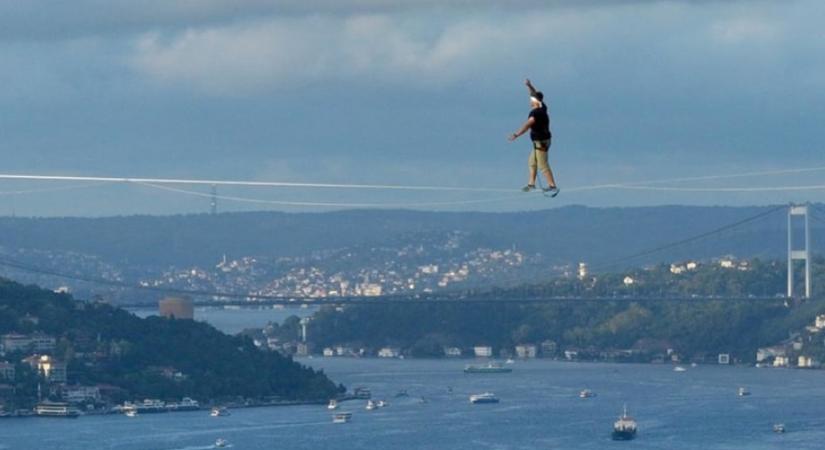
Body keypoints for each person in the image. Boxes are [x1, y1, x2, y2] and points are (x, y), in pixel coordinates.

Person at [508, 79, 559, 197]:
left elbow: (527, 125)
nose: (530, 101)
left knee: (542, 164)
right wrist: (529, 86)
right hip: (541, 142)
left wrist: (516, 134)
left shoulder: (535, 113)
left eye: (531, 100)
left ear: (535, 102)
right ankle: (531, 184)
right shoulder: (543, 107)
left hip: (541, 142)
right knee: (532, 161)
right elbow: (535, 94)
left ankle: (552, 186)